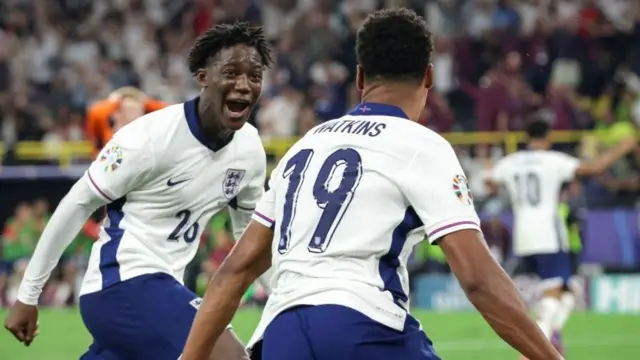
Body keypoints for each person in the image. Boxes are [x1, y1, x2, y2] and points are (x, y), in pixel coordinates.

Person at [182, 9, 562, 360]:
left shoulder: (305, 146)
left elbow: (234, 272)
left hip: (281, 333)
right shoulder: (421, 146)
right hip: (364, 326)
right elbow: (478, 278)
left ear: (360, 78)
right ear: (428, 76)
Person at [4, 22, 274, 360]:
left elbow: (250, 238)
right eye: (231, 73)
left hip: (163, 290)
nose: (244, 86)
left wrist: (282, 299)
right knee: (228, 357)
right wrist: (28, 296)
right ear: (203, 77)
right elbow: (76, 203)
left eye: (254, 76)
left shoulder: (248, 149)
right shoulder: (147, 138)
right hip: (119, 285)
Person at [486, 120, 636, 358]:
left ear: (526, 138)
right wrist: (622, 148)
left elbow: (489, 181)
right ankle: (531, 351)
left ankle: (553, 333)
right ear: (548, 138)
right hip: (549, 235)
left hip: (523, 235)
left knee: (567, 292)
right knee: (553, 296)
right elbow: (594, 169)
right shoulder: (553, 160)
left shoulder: (509, 163)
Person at [85, 86, 168, 157]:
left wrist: (146, 101)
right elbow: (94, 111)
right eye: (130, 109)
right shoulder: (111, 136)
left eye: (137, 109)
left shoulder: (147, 134)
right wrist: (113, 102)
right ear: (117, 114)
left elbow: (167, 110)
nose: (133, 114)